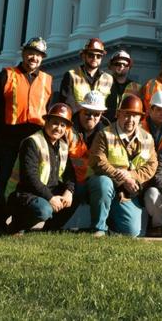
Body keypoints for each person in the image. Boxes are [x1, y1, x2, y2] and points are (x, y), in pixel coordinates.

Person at [0, 36, 53, 234]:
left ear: (42, 58)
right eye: (31, 53)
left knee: (27, 182)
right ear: (24, 54)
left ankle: (18, 224)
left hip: (33, 140)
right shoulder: (7, 75)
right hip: (8, 139)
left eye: (39, 55)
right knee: (6, 181)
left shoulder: (47, 80)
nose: (34, 58)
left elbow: (48, 109)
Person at [88, 92, 158, 237]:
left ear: (140, 118)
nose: (130, 119)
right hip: (105, 185)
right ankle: (98, 228)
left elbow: (152, 165)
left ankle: (110, 228)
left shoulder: (147, 138)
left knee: (131, 233)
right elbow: (98, 161)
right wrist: (123, 179)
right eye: (126, 114)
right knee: (103, 182)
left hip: (127, 191)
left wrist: (132, 176)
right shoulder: (104, 134)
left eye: (135, 115)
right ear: (118, 114)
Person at [5, 103, 76, 234]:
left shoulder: (63, 146)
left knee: (76, 194)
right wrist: (50, 198)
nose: (58, 128)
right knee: (44, 210)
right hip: (24, 193)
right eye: (55, 123)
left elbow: (69, 174)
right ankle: (17, 226)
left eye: (62, 125)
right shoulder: (32, 142)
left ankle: (50, 228)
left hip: (47, 191)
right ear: (46, 121)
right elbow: (29, 177)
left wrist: (69, 191)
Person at [64, 90, 110, 224]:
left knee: (104, 184)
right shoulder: (66, 129)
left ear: (102, 114)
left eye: (96, 114)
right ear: (80, 109)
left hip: (95, 182)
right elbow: (62, 164)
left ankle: (99, 227)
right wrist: (69, 188)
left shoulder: (109, 132)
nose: (91, 117)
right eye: (87, 112)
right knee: (53, 225)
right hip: (70, 182)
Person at [60, 38, 114, 112]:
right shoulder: (71, 75)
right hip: (76, 120)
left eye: (98, 56)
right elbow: (67, 103)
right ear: (83, 56)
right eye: (91, 55)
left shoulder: (108, 79)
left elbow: (110, 105)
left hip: (99, 120)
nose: (95, 58)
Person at [104, 49, 142, 121]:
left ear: (129, 67)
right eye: (117, 64)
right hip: (105, 125)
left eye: (125, 64)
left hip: (126, 125)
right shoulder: (102, 83)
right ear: (111, 66)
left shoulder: (137, 88)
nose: (121, 66)